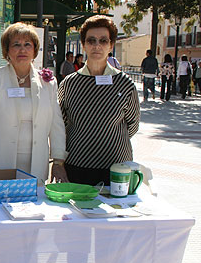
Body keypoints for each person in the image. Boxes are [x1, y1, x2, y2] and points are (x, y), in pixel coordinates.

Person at [0, 23, 68, 185]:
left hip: (36, 163)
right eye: (16, 44)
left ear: (35, 50)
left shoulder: (48, 83)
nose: (22, 49)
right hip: (0, 160)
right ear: (7, 51)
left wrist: (58, 161)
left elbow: (56, 124)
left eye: (27, 44)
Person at [58, 15, 140, 186]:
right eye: (91, 40)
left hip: (117, 168)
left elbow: (132, 124)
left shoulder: (125, 84)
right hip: (77, 165)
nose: (97, 46)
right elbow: (60, 123)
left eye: (103, 41)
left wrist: (106, 136)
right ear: (84, 44)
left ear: (111, 45)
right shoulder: (69, 83)